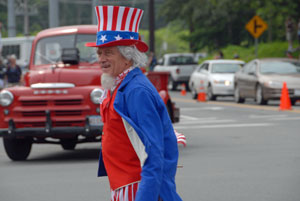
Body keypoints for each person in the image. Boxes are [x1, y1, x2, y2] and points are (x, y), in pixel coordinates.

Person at [86, 5, 182, 201]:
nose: (101, 59)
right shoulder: (119, 85)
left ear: (128, 57)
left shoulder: (136, 91)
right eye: (99, 53)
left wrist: (145, 197)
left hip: (136, 185)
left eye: (108, 52)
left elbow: (153, 152)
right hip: (124, 183)